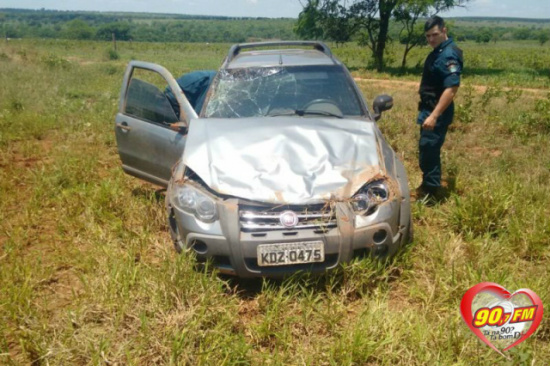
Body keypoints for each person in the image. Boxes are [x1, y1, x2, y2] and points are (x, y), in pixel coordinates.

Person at [416, 16, 463, 200]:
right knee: (427, 149)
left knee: (429, 149)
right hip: (428, 109)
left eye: (434, 35)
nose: (431, 40)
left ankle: (431, 194)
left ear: (444, 30)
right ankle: (427, 184)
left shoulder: (448, 54)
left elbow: (452, 88)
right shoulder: (439, 50)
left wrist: (434, 116)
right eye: (427, 36)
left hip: (436, 112)